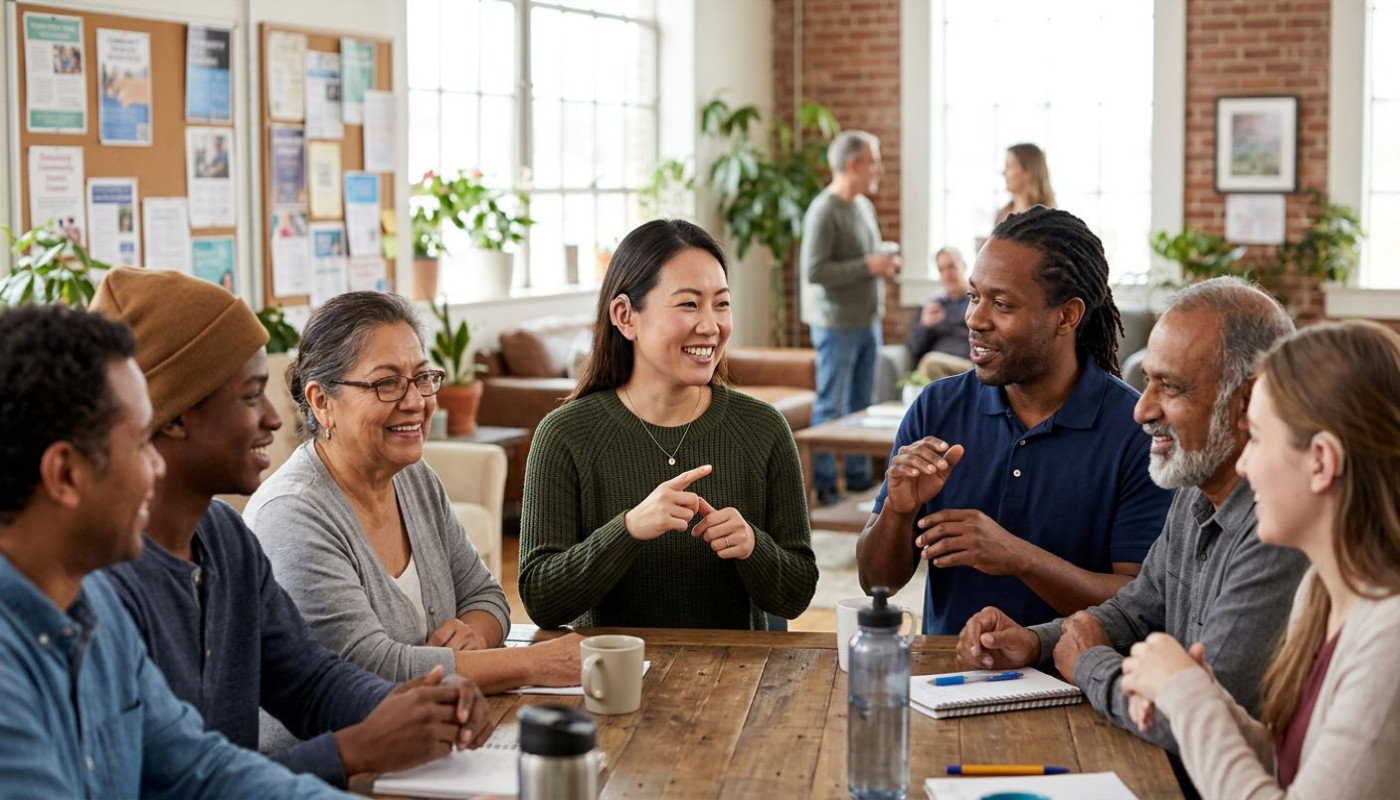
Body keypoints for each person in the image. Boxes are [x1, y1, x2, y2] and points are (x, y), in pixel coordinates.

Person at [91, 268, 493, 789]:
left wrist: (418, 703)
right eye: (249, 396)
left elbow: (308, 681)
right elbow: (178, 783)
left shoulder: (222, 536)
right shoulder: (105, 581)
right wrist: (353, 748)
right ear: (173, 416)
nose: (274, 419)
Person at [953, 277, 1308, 763]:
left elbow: (1194, 721)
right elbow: (1137, 609)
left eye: (1171, 387)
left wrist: (1089, 665)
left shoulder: (1280, 531)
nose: (1142, 410)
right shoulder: (1194, 487)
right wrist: (1035, 642)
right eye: (1147, 381)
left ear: (1247, 403)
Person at [0, 304, 340, 797]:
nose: (157, 468)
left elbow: (200, 769)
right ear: (66, 475)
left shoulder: (94, 611)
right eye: (140, 443)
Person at [856, 206, 1172, 635]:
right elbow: (878, 583)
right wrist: (897, 509)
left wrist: (1018, 557)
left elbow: (1140, 607)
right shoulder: (937, 407)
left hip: (1076, 685)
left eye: (1001, 303)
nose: (975, 319)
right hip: (950, 681)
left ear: (1067, 316)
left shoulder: (1135, 432)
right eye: (974, 296)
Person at [244, 291, 581, 694]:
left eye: (422, 378)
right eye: (387, 383)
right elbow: (370, 668)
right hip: (329, 753)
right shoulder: (292, 515)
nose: (416, 401)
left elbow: (486, 594)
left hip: (428, 739)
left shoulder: (413, 478)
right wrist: (532, 663)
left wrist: (473, 636)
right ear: (322, 402)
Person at [1120, 320, 1400, 799]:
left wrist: (1188, 699)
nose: (1244, 464)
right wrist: (1203, 699)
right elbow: (1296, 768)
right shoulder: (1320, 592)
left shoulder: (1389, 639)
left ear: (1320, 461)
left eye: (1260, 439)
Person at [518, 219, 818, 630]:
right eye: (689, 304)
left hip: (736, 683)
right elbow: (541, 600)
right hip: (611, 680)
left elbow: (798, 594)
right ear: (626, 316)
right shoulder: (564, 436)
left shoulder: (764, 429)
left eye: (722, 303)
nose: (711, 325)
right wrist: (627, 530)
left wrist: (753, 547)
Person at [800, 130, 900, 507]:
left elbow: (866, 260)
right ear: (854, 164)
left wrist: (882, 264)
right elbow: (815, 271)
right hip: (836, 324)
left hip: (867, 320)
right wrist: (867, 266)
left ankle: (858, 477)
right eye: (874, 161)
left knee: (863, 404)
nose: (879, 169)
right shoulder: (824, 211)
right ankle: (825, 484)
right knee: (832, 404)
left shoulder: (863, 207)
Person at [905, 246, 973, 380]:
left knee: (929, 363)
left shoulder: (976, 303)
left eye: (951, 267)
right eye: (942, 269)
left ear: (963, 266)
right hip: (933, 366)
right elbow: (914, 349)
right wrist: (925, 325)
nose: (947, 274)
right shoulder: (931, 306)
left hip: (965, 364)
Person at [995, 143, 1055, 227]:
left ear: (1028, 171)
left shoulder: (1050, 220)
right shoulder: (1001, 216)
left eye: (1009, 166)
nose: (1003, 173)